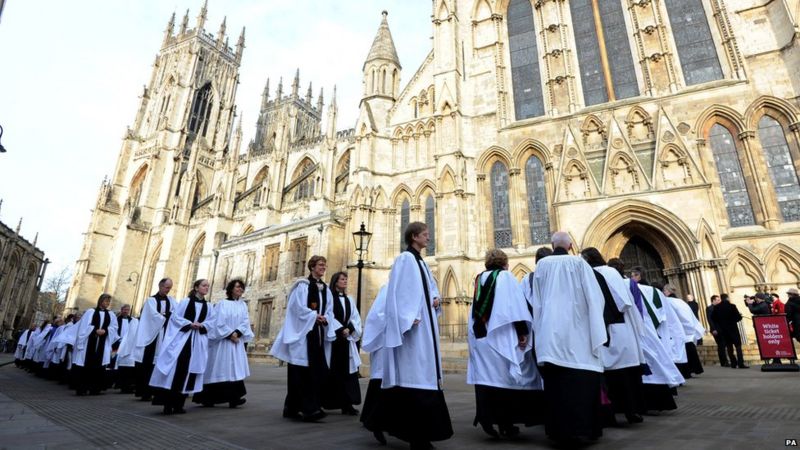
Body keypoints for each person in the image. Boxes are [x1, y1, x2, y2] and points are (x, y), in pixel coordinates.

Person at [362, 222, 453, 449]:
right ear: (414, 236)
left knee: (422, 376)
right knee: (413, 378)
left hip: (424, 330)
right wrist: (406, 316)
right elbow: (400, 291)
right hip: (413, 330)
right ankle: (416, 437)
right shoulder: (405, 259)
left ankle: (410, 432)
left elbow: (427, 290)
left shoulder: (421, 262)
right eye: (425, 234)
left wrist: (435, 299)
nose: (428, 238)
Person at [531, 232, 606, 444]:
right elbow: (594, 298)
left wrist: (541, 328)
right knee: (581, 385)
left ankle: (558, 432)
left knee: (557, 387)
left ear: (552, 245)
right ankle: (584, 430)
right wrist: (597, 329)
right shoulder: (580, 263)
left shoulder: (542, 266)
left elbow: (536, 301)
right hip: (579, 334)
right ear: (571, 245)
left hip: (551, 335)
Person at [468, 249, 543, 438]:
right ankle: (506, 424)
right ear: (505, 263)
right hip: (501, 336)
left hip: (481, 337)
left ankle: (487, 417)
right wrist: (523, 332)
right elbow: (516, 306)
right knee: (505, 382)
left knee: (487, 379)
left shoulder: (479, 278)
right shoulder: (506, 277)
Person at [582, 250, 646, 425]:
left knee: (613, 375)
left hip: (610, 328)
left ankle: (617, 413)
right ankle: (629, 411)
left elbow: (622, 302)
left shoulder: (601, 272)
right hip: (615, 328)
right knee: (622, 375)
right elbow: (625, 301)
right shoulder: (608, 272)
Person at [271, 256, 335, 422]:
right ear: (312, 266)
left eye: (325, 265)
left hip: (317, 335)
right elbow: (297, 308)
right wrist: (314, 316)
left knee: (313, 373)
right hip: (303, 335)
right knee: (300, 374)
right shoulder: (302, 286)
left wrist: (325, 318)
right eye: (321, 265)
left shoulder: (326, 289)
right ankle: (306, 409)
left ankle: (299, 407)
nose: (323, 267)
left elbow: (330, 309)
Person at [150, 279, 216, 415]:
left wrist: (202, 325)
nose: (206, 288)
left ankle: (179, 404)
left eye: (208, 286)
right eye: (204, 285)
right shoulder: (186, 302)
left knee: (188, 372)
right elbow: (175, 318)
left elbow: (212, 322)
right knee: (177, 370)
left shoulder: (209, 306)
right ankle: (168, 404)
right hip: (182, 341)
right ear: (196, 287)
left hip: (196, 342)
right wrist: (189, 324)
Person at [624, 263, 684, 412]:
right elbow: (666, 316)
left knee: (650, 369)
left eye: (633, 275)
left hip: (642, 334)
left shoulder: (634, 289)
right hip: (656, 335)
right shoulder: (654, 291)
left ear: (639, 276)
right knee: (658, 366)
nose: (631, 278)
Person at [193, 279, 253, 409]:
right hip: (223, 342)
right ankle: (209, 398)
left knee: (234, 369)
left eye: (242, 288)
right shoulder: (222, 304)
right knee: (220, 368)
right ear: (231, 289)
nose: (240, 290)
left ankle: (234, 398)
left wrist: (237, 333)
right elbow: (218, 322)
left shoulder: (243, 305)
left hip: (236, 342)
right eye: (237, 287)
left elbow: (245, 321)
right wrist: (230, 334)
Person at [323, 272, 362, 415]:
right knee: (333, 370)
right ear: (335, 282)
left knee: (348, 372)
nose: (345, 281)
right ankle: (328, 402)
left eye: (346, 279)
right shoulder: (329, 299)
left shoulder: (349, 299)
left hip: (346, 341)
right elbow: (329, 315)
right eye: (342, 279)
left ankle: (347, 404)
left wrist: (350, 329)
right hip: (334, 339)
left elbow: (355, 317)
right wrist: (340, 329)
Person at [134, 278, 177, 401]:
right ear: (160, 286)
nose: (168, 290)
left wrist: (167, 316)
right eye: (166, 287)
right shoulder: (151, 301)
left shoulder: (172, 300)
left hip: (166, 335)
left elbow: (176, 313)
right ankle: (145, 392)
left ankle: (159, 391)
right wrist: (166, 316)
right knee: (148, 363)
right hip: (153, 336)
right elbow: (151, 316)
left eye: (170, 288)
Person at [73, 294, 119, 395]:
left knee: (99, 366)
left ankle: (95, 389)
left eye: (108, 302)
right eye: (106, 301)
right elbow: (84, 326)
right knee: (86, 365)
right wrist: (94, 330)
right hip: (89, 342)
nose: (107, 303)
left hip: (102, 343)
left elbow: (114, 327)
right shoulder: (91, 312)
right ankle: (83, 389)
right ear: (100, 301)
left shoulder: (111, 314)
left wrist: (105, 331)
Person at [361, 285, 389, 445]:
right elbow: (378, 316)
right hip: (384, 343)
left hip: (394, 345)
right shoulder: (387, 289)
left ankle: (373, 418)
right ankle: (371, 418)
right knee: (379, 382)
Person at [662, 285, 704, 378]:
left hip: (677, 330)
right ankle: (693, 369)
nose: (663, 293)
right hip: (687, 329)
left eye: (664, 291)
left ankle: (686, 372)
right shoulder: (681, 301)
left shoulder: (668, 301)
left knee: (679, 353)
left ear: (668, 291)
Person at [710, 294, 748, 369]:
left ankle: (733, 363)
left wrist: (720, 324)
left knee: (729, 346)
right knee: (738, 346)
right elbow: (738, 317)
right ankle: (741, 363)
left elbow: (713, 318)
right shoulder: (732, 306)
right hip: (733, 329)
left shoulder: (717, 307)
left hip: (724, 330)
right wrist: (735, 319)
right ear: (727, 298)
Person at [113, 304, 139, 393]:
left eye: (128, 310)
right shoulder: (116, 320)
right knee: (116, 363)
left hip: (129, 344)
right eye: (124, 309)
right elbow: (114, 330)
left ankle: (123, 384)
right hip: (118, 343)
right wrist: (118, 339)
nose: (126, 311)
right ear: (121, 309)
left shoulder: (132, 320)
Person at [706, 295, 728, 366]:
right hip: (715, 329)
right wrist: (714, 329)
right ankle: (724, 362)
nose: (719, 301)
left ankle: (724, 361)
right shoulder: (709, 308)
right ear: (713, 300)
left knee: (723, 345)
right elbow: (710, 320)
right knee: (721, 345)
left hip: (722, 329)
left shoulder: (720, 307)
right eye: (718, 300)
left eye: (720, 300)